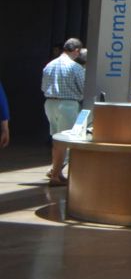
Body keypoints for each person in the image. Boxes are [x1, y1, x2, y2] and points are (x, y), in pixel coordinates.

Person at [41, 37, 85, 186]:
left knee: (56, 140)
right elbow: (83, 88)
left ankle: (57, 172)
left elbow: (43, 87)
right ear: (77, 51)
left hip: (50, 103)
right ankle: (55, 175)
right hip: (68, 104)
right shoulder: (75, 67)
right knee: (65, 141)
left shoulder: (49, 65)